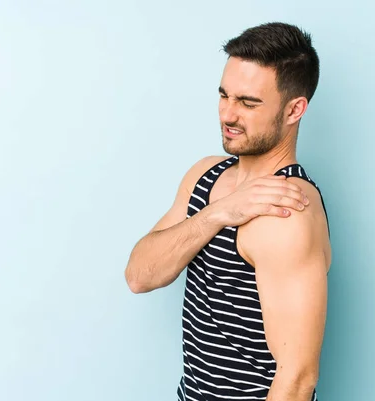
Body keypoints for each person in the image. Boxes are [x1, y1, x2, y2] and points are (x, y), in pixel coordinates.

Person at [124, 21, 332, 401]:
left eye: (249, 103)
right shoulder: (204, 176)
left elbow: (298, 379)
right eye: (225, 96)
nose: (229, 115)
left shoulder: (286, 212)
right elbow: (140, 275)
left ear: (294, 110)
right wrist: (218, 213)